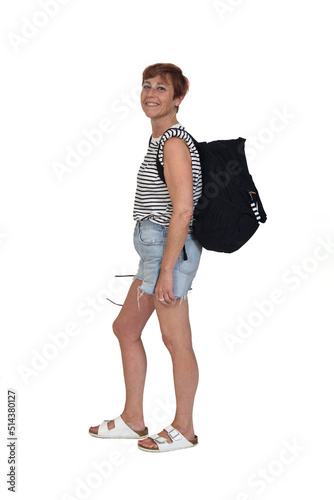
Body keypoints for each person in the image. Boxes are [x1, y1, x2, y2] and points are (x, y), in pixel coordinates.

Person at [89, 63, 203, 453]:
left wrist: (168, 270)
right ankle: (133, 419)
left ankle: (184, 429)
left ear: (178, 98)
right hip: (153, 255)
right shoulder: (160, 139)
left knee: (176, 341)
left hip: (168, 254)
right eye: (146, 86)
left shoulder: (173, 143)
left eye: (161, 89)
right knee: (126, 329)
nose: (151, 94)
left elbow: (184, 210)